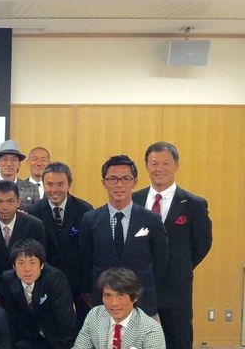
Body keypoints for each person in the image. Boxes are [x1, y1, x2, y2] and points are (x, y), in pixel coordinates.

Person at [132, 141, 212, 349]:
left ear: (176, 165)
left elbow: (202, 244)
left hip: (176, 289)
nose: (159, 169)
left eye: (165, 163)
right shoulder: (133, 200)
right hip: (138, 287)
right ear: (146, 165)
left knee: (178, 341)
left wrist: (181, 265)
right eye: (154, 163)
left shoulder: (194, 204)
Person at [80, 155, 168, 317]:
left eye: (126, 179)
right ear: (104, 183)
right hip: (104, 302)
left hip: (141, 301)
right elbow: (87, 261)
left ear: (135, 182)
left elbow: (159, 262)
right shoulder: (90, 219)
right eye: (112, 179)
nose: (119, 185)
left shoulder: (152, 220)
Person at [28, 162, 93, 324]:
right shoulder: (33, 211)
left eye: (60, 184)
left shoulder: (85, 210)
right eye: (49, 184)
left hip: (79, 286)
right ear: (43, 185)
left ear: (69, 184)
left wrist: (87, 287)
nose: (54, 189)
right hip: (45, 284)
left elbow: (89, 252)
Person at [0, 240, 77, 349]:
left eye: (32, 262)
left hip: (55, 338)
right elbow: (11, 318)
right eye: (21, 263)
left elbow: (65, 319)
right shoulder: (7, 279)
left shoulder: (55, 278)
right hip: (26, 338)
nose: (27, 269)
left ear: (41, 265)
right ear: (13, 265)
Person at [0, 181, 44, 302]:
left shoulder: (34, 225)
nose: (4, 207)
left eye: (10, 201)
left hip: (26, 292)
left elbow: (40, 262)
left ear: (18, 202)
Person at [72, 267, 166, 349]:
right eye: (108, 295)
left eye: (120, 295)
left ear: (134, 298)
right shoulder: (95, 314)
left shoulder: (151, 329)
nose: (114, 303)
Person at [0, 141, 39, 211]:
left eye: (14, 160)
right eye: (5, 159)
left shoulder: (32, 188)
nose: (9, 163)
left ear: (19, 164)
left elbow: (36, 216)